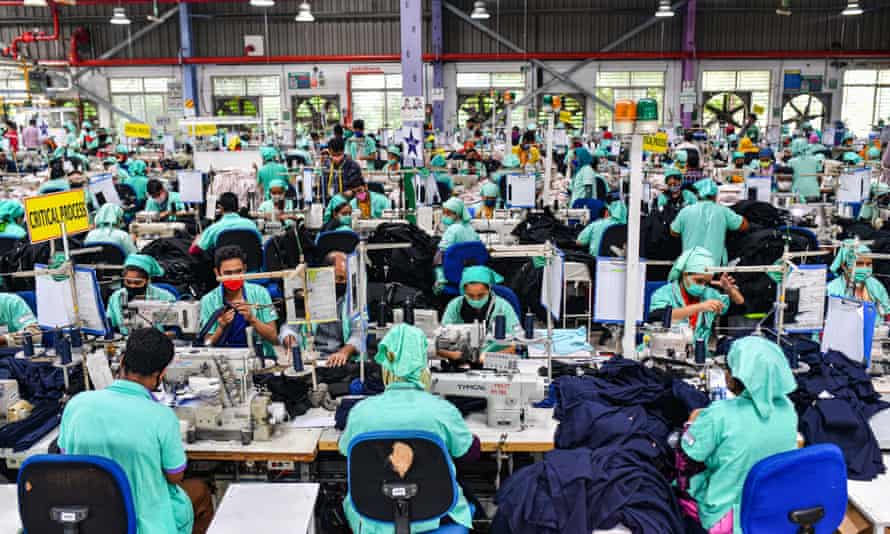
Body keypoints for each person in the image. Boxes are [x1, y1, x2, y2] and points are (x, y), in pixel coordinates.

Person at [58, 327, 214, 534]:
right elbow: (174, 476)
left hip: (88, 519)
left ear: (122, 362)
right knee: (200, 492)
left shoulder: (77, 405)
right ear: (161, 374)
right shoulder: (161, 416)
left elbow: (66, 458)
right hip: (143, 524)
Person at [338, 324, 479, 534]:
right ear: (423, 364)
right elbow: (469, 453)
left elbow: (346, 451)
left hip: (373, 520)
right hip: (437, 517)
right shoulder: (441, 410)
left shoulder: (361, 412)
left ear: (385, 364)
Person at [679, 336, 797, 534]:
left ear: (735, 376)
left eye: (728, 367)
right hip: (771, 511)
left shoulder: (719, 413)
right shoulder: (787, 410)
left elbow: (689, 454)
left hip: (728, 518)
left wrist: (692, 422)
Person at [280, 250, 361, 366]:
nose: (344, 283)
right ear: (325, 275)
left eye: (346, 279)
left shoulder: (354, 298)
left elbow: (359, 333)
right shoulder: (307, 294)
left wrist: (344, 352)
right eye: (339, 279)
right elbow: (289, 326)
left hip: (340, 360)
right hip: (310, 359)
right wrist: (289, 338)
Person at [649, 247, 744, 344]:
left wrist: (729, 289)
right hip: (664, 350)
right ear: (684, 274)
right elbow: (658, 316)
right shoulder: (664, 293)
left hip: (699, 354)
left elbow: (740, 304)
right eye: (699, 281)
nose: (702, 286)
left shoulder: (708, 294)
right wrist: (699, 307)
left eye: (706, 282)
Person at [199, 246, 278, 356]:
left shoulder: (261, 293)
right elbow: (207, 344)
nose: (234, 277)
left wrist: (252, 319)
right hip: (226, 360)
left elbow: (274, 338)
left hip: (261, 359)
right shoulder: (208, 301)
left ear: (245, 269)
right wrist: (221, 328)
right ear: (217, 273)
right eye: (228, 273)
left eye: (238, 271)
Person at [441, 265, 520, 357]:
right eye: (470, 295)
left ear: (489, 289)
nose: (475, 300)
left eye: (481, 295)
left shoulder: (503, 307)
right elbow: (443, 336)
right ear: (463, 291)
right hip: (462, 355)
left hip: (496, 355)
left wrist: (488, 356)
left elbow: (516, 340)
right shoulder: (455, 306)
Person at [671, 179, 748, 264]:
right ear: (715, 195)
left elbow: (674, 232)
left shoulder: (685, 211)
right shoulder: (723, 211)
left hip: (690, 265)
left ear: (697, 195)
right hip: (713, 267)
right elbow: (743, 226)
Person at [107, 254, 177, 335]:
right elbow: (110, 325)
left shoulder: (166, 297)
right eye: (128, 282)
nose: (132, 286)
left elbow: (175, 328)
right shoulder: (116, 297)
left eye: (137, 283)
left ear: (148, 281)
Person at [827, 242, 890, 317]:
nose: (865, 268)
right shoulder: (832, 289)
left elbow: (887, 311)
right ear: (844, 266)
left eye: (868, 264)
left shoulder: (875, 285)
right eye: (859, 264)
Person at [434, 198, 481, 294]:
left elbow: (440, 255)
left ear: (457, 214)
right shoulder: (471, 229)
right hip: (471, 277)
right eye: (444, 212)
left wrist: (440, 278)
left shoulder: (452, 230)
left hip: (452, 278)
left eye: (448, 213)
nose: (445, 216)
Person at [192, 193, 261, 253]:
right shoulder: (251, 225)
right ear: (238, 207)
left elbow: (194, 250)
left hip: (225, 267)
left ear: (220, 208)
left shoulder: (214, 228)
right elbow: (259, 244)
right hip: (251, 267)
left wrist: (197, 239)